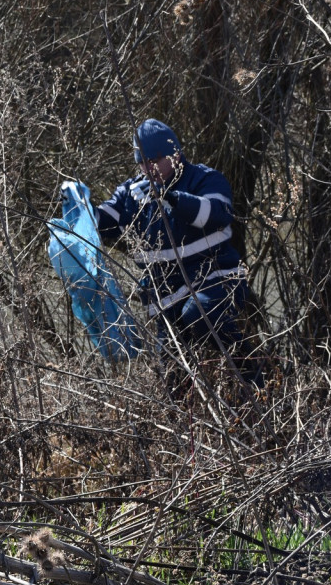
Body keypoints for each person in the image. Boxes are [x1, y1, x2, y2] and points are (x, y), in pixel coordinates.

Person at [95, 118, 263, 387]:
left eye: (155, 159)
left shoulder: (204, 179)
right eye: (142, 162)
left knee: (199, 313)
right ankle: (195, 419)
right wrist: (78, 208)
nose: (148, 169)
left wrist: (169, 197)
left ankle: (256, 379)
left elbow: (216, 214)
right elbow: (105, 219)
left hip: (215, 281)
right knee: (171, 373)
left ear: (175, 155)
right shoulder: (131, 193)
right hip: (165, 298)